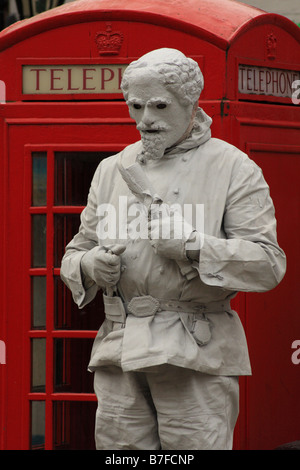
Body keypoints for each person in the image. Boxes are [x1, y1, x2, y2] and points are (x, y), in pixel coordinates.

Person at [60, 48, 286, 450]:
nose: (146, 119)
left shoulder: (232, 167)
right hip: (119, 348)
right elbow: (76, 251)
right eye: (136, 105)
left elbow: (268, 264)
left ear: (190, 102)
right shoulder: (112, 169)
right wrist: (90, 264)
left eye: (160, 105)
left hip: (194, 351)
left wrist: (193, 246)